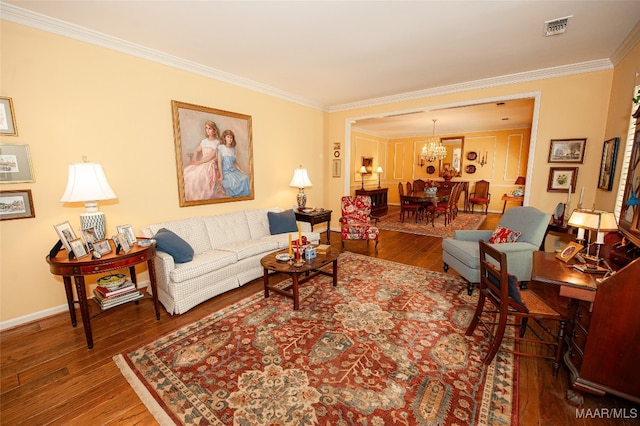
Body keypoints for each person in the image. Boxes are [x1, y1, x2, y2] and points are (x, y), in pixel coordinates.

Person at [183, 120, 225, 201]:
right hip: (202, 162)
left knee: (199, 176)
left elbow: (211, 156)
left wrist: (198, 162)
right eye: (206, 128)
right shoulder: (204, 141)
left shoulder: (217, 142)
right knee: (188, 173)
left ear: (214, 130)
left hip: (210, 164)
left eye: (210, 128)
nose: (208, 130)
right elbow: (196, 151)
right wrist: (194, 159)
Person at [217, 129, 250, 197]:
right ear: (225, 138)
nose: (230, 139)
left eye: (231, 137)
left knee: (246, 178)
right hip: (226, 172)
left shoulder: (233, 149)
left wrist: (240, 170)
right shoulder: (221, 148)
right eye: (228, 137)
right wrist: (221, 176)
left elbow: (235, 163)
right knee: (233, 184)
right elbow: (219, 163)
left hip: (233, 171)